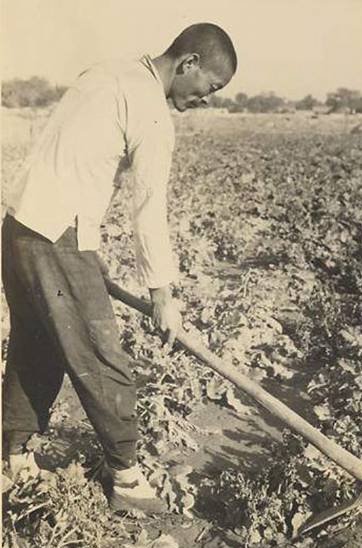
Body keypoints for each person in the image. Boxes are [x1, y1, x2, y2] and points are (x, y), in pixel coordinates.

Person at [2, 22, 237, 514]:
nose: (206, 98)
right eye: (209, 87)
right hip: (56, 235)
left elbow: (77, 158)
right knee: (102, 355)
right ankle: (127, 479)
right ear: (189, 63)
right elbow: (148, 210)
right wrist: (163, 296)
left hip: (19, 224)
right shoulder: (152, 112)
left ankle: (13, 456)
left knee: (35, 344)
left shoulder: (111, 71)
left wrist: (85, 249)